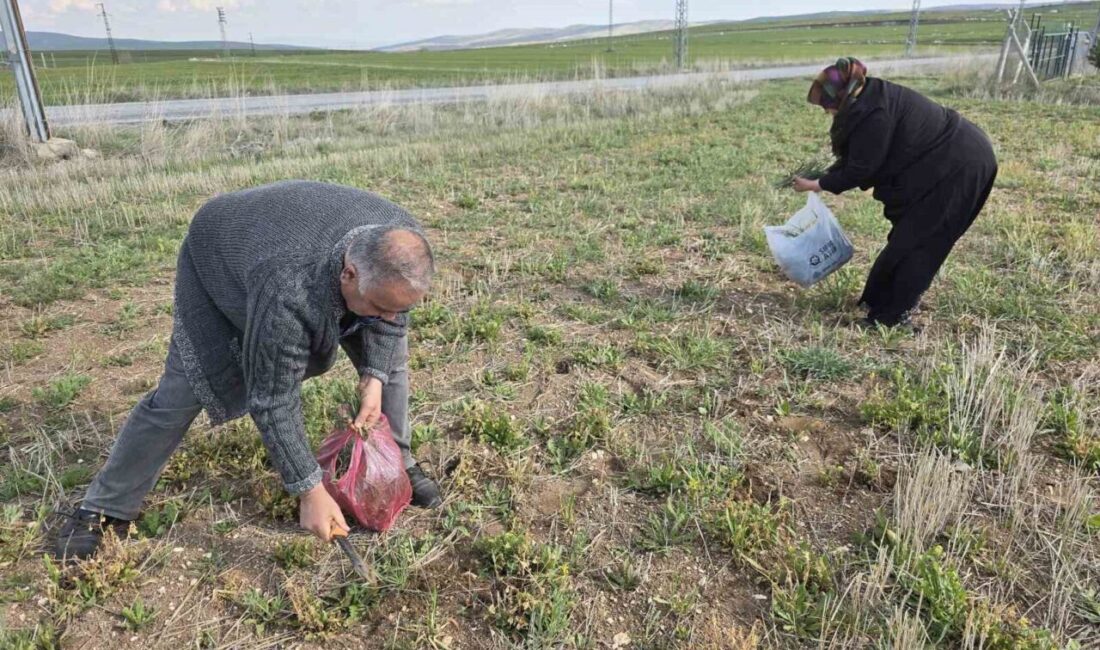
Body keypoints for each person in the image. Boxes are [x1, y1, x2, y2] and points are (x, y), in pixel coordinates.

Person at [54, 180, 443, 560]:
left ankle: (399, 466)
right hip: (222, 257)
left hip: (297, 248)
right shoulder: (289, 284)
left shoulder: (399, 242)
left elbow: (391, 317)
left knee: (391, 365)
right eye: (380, 306)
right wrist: (310, 490)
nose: (392, 318)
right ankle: (104, 508)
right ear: (349, 274)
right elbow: (273, 397)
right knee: (183, 390)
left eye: (402, 308)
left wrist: (374, 378)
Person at [793, 57, 998, 328]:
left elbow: (861, 169)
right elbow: (859, 157)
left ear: (840, 96)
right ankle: (882, 301)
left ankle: (891, 318)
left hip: (960, 166)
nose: (827, 112)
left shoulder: (873, 114)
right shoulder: (865, 96)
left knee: (921, 242)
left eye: (828, 105)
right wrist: (825, 175)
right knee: (906, 238)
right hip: (944, 159)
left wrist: (817, 184)